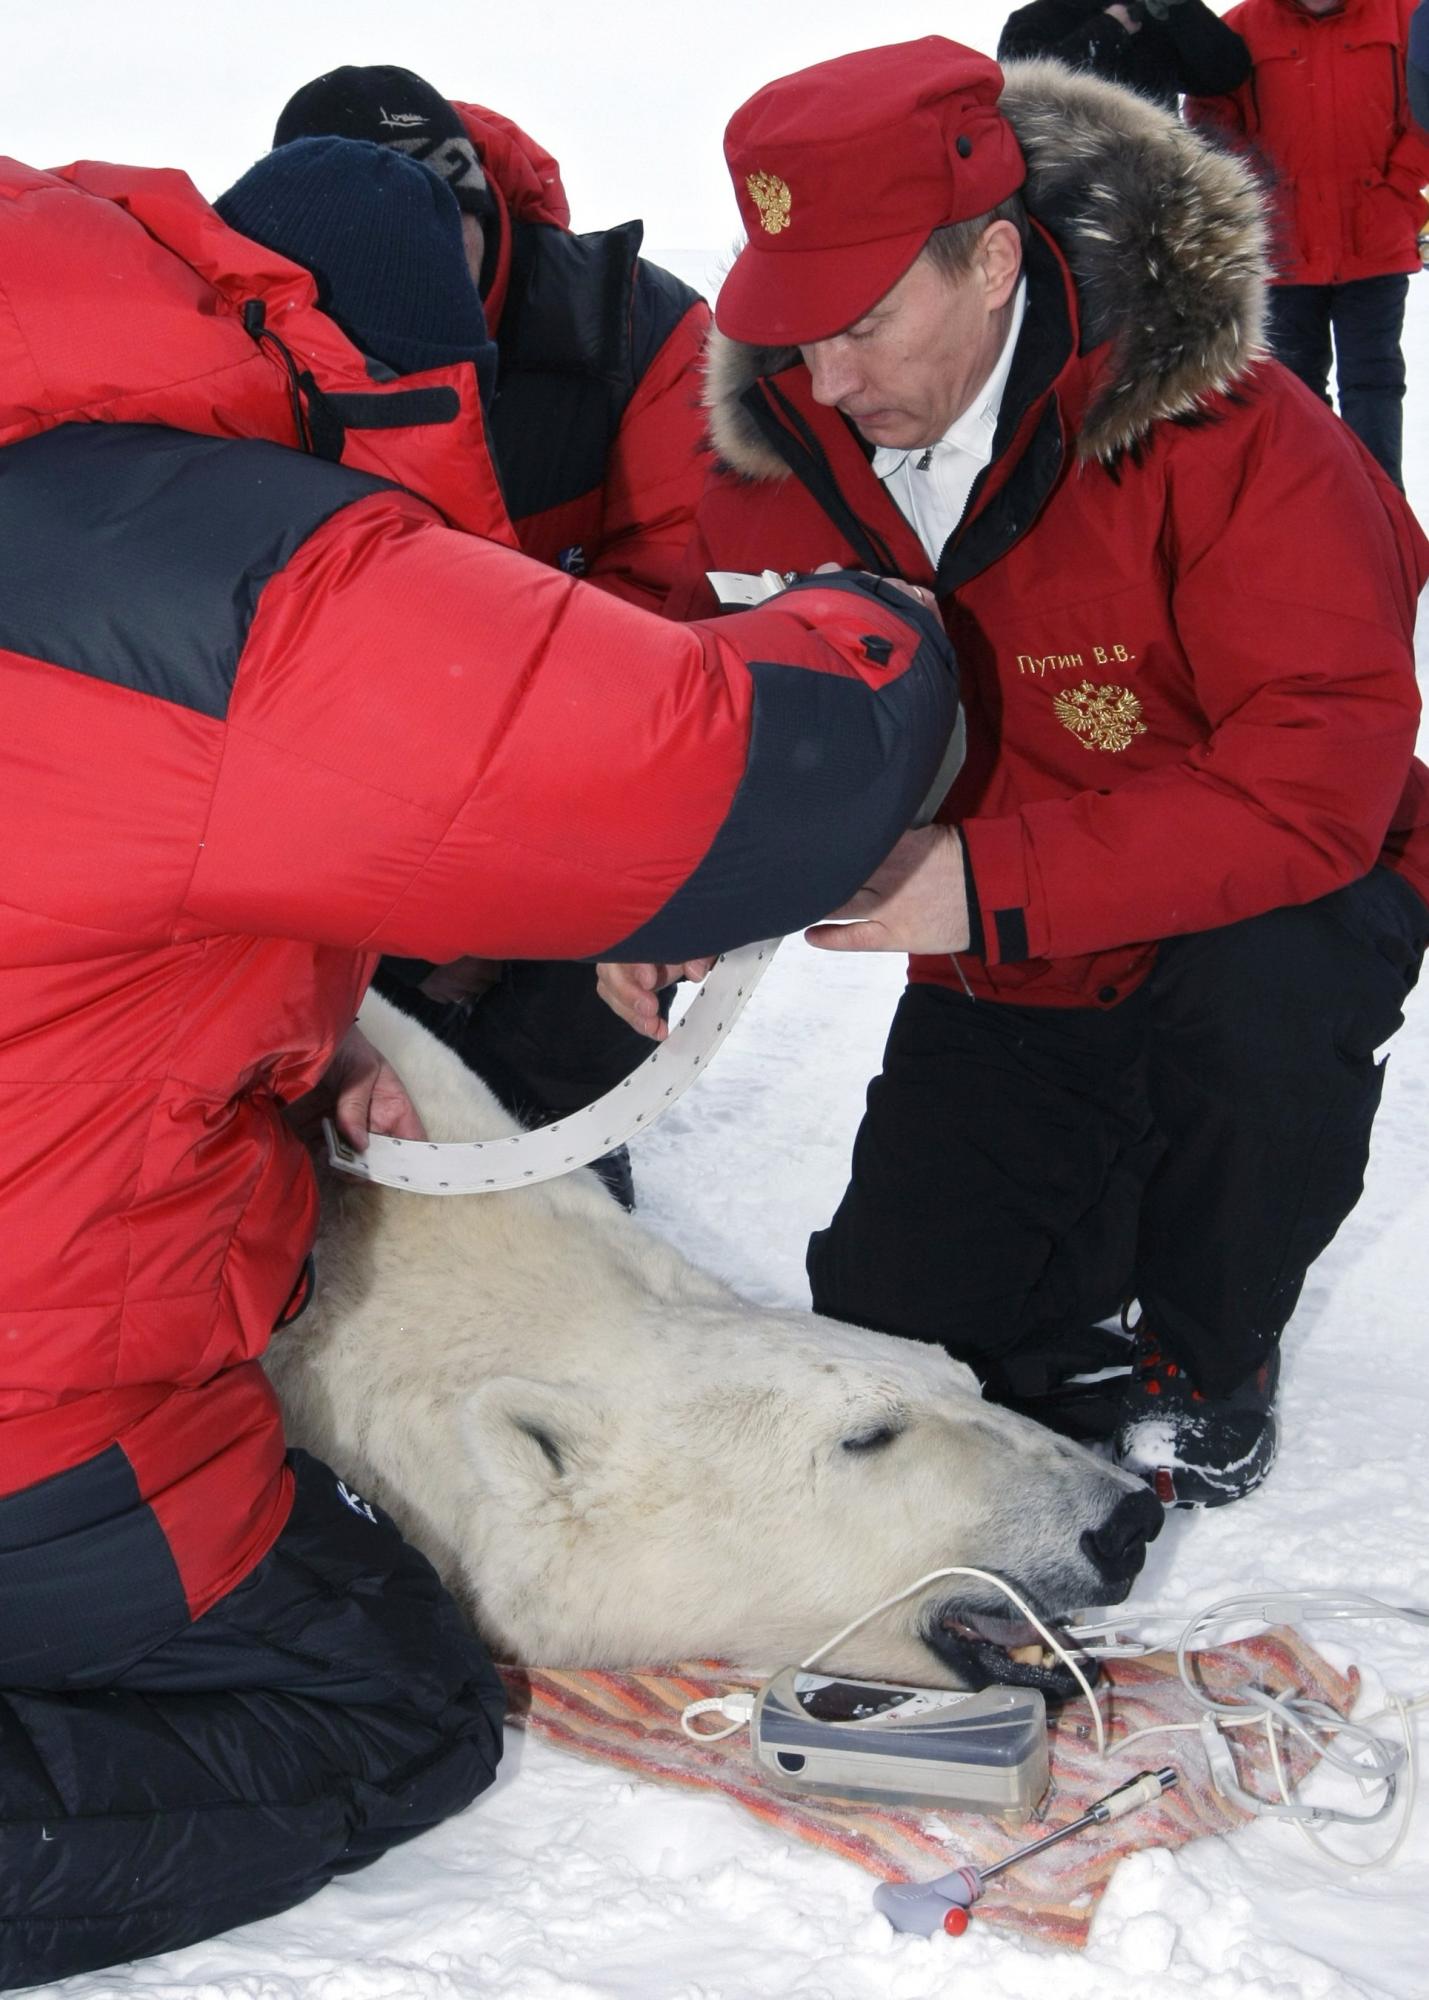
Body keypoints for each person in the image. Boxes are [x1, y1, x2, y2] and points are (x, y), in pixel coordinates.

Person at [0, 136, 957, 1991]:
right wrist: (888, 631)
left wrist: (290, 1032)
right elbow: (734, 772)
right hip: (35, 1411)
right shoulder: (197, 561)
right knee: (383, 1701)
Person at [600, 38, 1429, 1512]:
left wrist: (976, 879)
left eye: (861, 324)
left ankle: (1208, 1346)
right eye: (793, 333)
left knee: (1272, 1002)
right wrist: (693, 883)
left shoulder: (1242, 441)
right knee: (898, 1332)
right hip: (1015, 963)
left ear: (990, 263)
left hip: (1247, 910)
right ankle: (1101, 1211)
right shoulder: (785, 442)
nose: (826, 380)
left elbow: (1316, 786)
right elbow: (716, 695)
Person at [269, 67, 717, 1203]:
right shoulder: (277, 335)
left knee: (641, 885)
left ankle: (561, 1147)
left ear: (483, 215)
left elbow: (672, 613)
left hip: (582, 789)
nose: (412, 295)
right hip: (374, 810)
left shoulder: (642, 331)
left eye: (442, 242)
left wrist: (496, 885)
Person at [1186, 0, 1429, 489]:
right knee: (1294, 391)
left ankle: (1381, 514)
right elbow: (1209, 121)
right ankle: (1315, 511)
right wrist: (1254, 193)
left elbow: (1424, 116)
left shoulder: (1400, 18)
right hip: (1284, 252)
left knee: (1374, 383)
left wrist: (1397, 187)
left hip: (1375, 244)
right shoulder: (1239, 28)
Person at [998, 0, 1249, 108]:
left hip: (1155, 181)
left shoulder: (1155, 16)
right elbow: (1026, 97)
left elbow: (1226, 74)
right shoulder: (1031, 22)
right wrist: (1108, 30)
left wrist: (1185, 10)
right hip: (1064, 191)